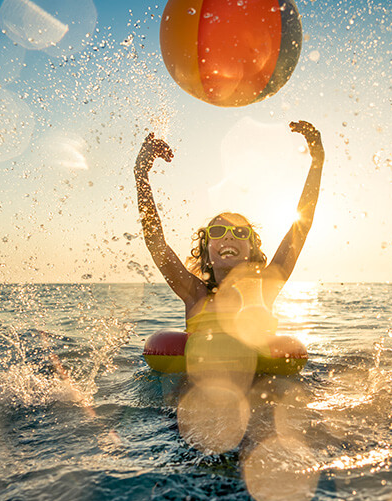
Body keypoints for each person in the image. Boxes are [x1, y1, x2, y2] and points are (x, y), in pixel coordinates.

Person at [134, 121, 324, 349]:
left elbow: (300, 230)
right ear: (205, 250)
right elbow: (156, 244)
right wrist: (140, 174)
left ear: (252, 248)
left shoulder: (266, 287)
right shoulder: (195, 294)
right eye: (217, 231)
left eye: (240, 232)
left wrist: (317, 163)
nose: (229, 236)